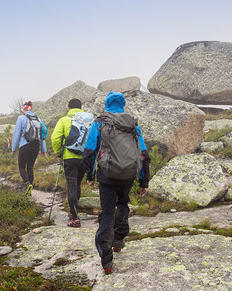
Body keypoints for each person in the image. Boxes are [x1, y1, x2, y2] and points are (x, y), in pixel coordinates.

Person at [82, 92, 150, 275]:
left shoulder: (100, 123)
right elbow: (144, 155)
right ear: (123, 104)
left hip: (106, 175)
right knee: (123, 203)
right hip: (128, 175)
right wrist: (144, 181)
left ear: (106, 103)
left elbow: (88, 152)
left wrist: (89, 175)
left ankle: (106, 258)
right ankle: (119, 239)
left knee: (107, 212)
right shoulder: (133, 125)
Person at [51, 98, 87, 228]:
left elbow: (55, 138)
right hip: (84, 157)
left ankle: (75, 218)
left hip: (69, 157)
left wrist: (58, 152)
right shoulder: (87, 121)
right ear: (81, 107)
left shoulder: (64, 120)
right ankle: (73, 212)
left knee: (71, 186)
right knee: (77, 184)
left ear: (68, 108)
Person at [12, 101, 47, 195]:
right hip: (36, 146)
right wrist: (43, 150)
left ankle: (27, 184)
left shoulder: (21, 118)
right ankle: (30, 191)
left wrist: (14, 148)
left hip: (25, 146)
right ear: (32, 108)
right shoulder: (38, 119)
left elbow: (16, 134)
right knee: (30, 167)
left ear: (24, 109)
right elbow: (42, 135)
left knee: (22, 167)